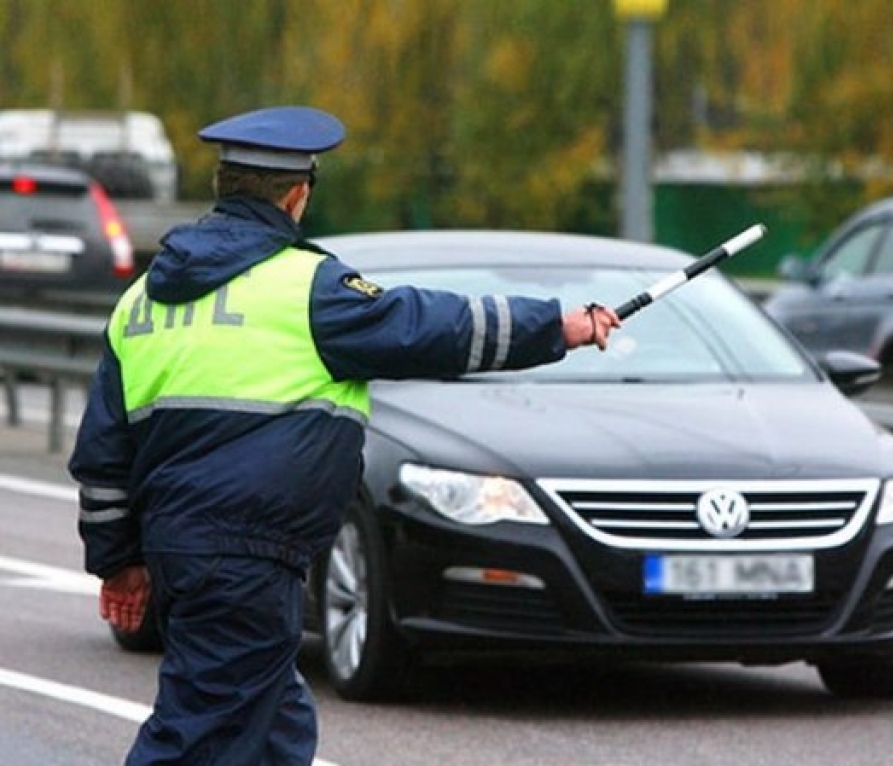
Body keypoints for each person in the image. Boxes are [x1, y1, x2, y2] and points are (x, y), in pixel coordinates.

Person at [68, 105, 620, 766]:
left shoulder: (142, 302)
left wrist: (119, 563)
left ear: (223, 187)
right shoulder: (307, 287)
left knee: (276, 726)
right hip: (248, 551)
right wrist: (559, 326)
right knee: (199, 732)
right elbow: (432, 326)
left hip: (183, 550)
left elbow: (102, 454)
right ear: (297, 195)